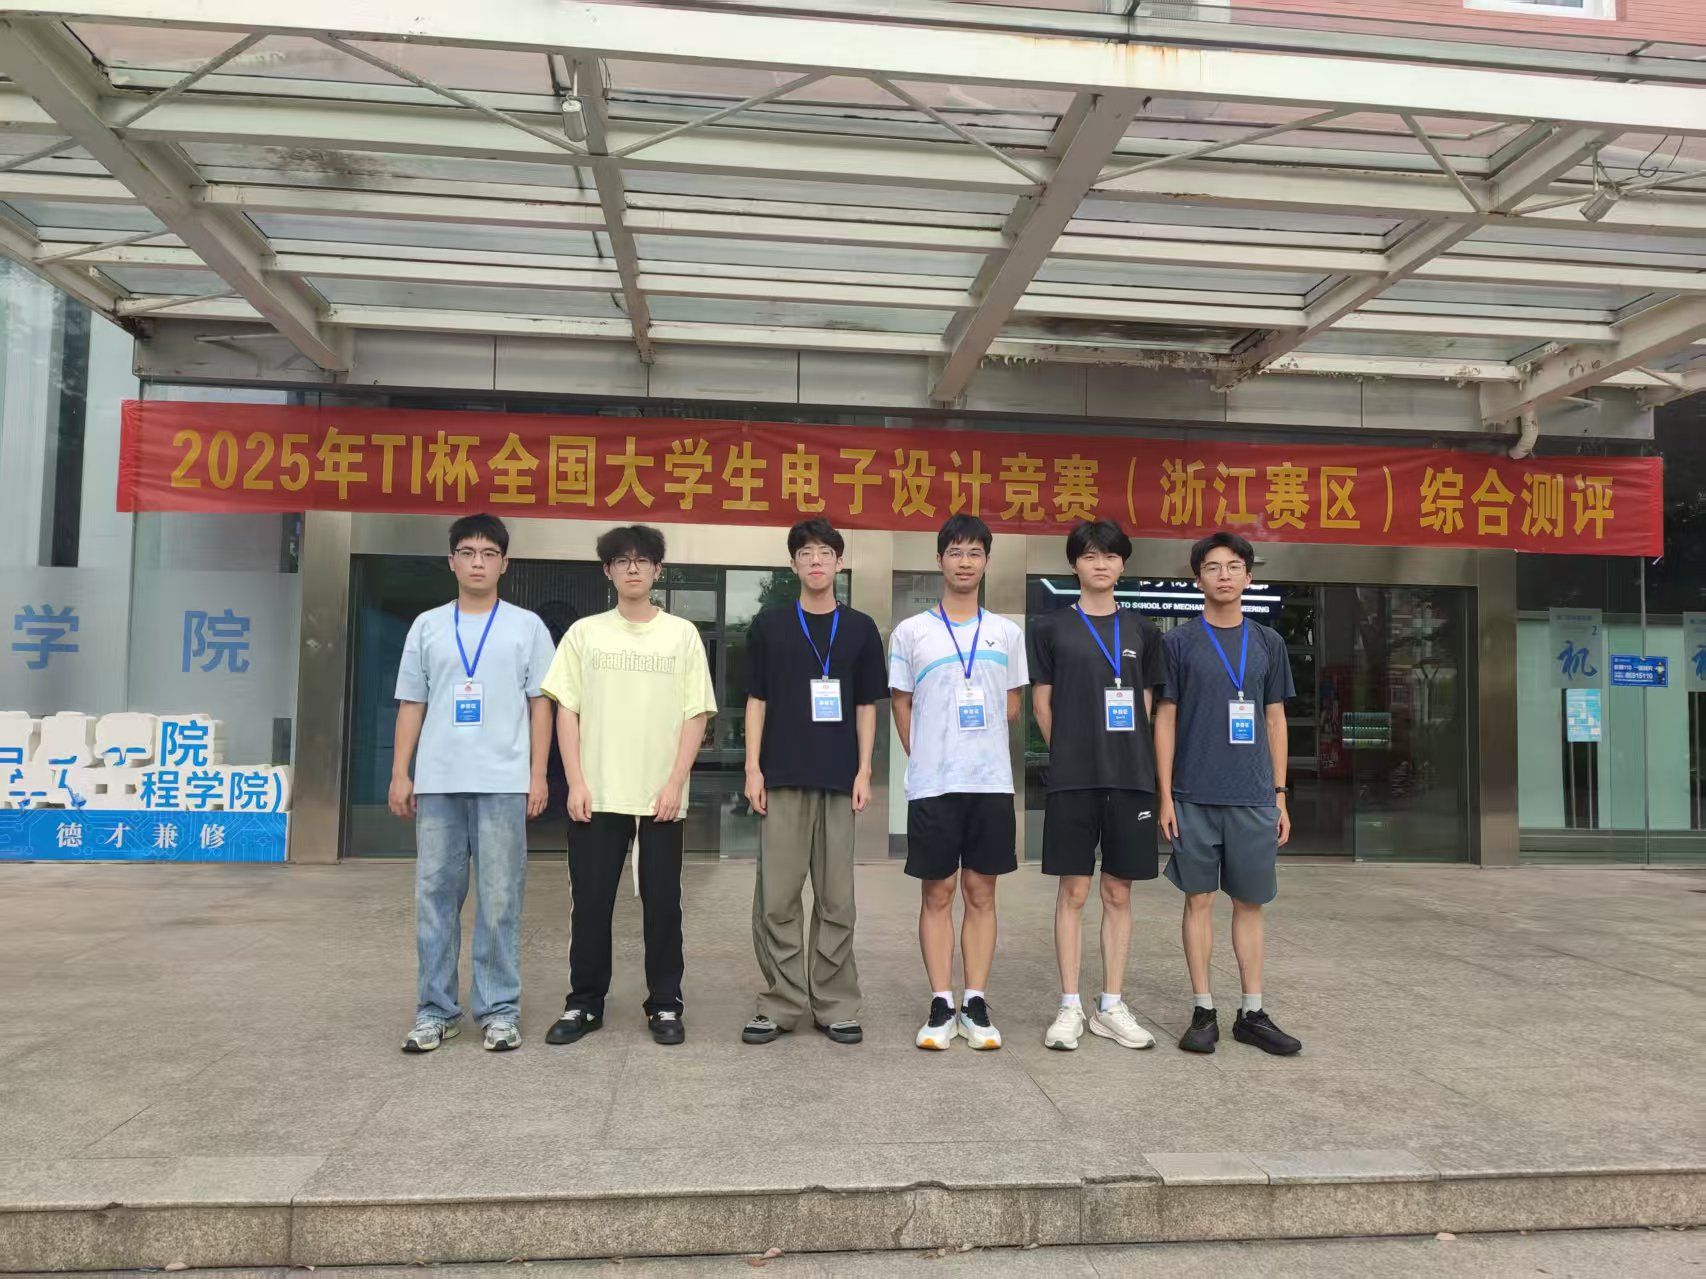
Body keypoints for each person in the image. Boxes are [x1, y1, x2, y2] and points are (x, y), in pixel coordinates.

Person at [539, 525, 716, 1047]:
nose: (633, 568)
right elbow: (566, 709)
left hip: (660, 796)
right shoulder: (585, 634)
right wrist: (575, 781)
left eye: (643, 560)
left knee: (663, 905)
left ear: (658, 570)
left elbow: (696, 714)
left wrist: (675, 782)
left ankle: (664, 1003)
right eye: (622, 560)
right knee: (590, 903)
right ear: (608, 571)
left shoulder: (681, 635)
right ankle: (584, 1002)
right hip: (596, 794)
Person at [390, 513, 555, 1054]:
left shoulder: (527, 627)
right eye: (467, 552)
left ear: (505, 564)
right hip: (438, 782)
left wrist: (537, 774)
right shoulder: (427, 626)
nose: (478, 562)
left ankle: (499, 1010)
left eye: (488, 553)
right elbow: (411, 703)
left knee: (500, 900)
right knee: (434, 897)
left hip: (503, 781)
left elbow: (542, 705)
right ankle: (435, 1011)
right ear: (452, 561)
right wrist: (401, 772)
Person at [1155, 531, 1303, 1056]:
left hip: (1254, 796)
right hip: (1193, 794)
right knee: (1198, 900)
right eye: (1213, 567)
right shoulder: (1178, 643)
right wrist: (1166, 796)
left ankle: (1252, 1012)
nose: (1224, 575)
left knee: (1249, 902)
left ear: (1248, 576)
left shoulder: (1268, 643)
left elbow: (1276, 720)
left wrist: (1279, 795)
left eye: (1233, 566)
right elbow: (1165, 719)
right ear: (1197, 578)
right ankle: (1203, 1011)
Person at [741, 519, 887, 1047]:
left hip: (838, 778)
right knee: (777, 898)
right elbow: (756, 700)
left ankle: (835, 1003)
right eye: (806, 553)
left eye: (826, 552)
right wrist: (752, 768)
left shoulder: (861, 629)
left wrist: (865, 770)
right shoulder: (770, 625)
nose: (817, 561)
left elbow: (866, 706)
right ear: (794, 564)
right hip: (781, 776)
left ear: (840, 563)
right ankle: (781, 1002)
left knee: (836, 898)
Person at [890, 513, 1029, 1051]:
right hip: (934, 785)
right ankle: (940, 1002)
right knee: (938, 891)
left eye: (974, 553)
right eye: (955, 552)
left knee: (981, 891)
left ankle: (975, 1000)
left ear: (986, 561)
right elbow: (902, 704)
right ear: (939, 560)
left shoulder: (1007, 633)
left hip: (990, 783)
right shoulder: (911, 632)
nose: (964, 562)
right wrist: (928, 755)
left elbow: (1012, 704)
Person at [1029, 519, 1165, 1052]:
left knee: (1118, 891)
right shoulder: (1051, 628)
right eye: (1089, 556)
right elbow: (1042, 703)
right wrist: (1069, 751)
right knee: (1074, 890)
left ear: (1122, 564)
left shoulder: (1143, 631)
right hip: (1074, 779)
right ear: (1075, 565)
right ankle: (1069, 1006)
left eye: (1109, 556)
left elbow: (1146, 705)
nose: (1100, 564)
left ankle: (1111, 1005)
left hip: (1130, 778)